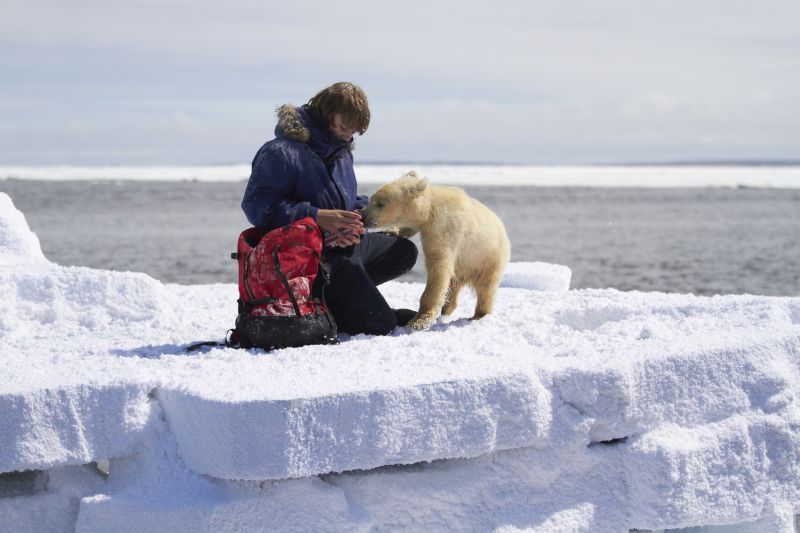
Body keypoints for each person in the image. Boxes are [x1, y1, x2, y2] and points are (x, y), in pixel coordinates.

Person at [241, 82, 418, 336]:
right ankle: (333, 303)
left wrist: (356, 219)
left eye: (353, 131)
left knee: (403, 252)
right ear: (326, 114)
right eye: (343, 127)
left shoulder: (342, 152)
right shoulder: (280, 152)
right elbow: (257, 206)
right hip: (310, 259)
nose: (348, 136)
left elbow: (344, 198)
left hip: (340, 246)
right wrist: (317, 217)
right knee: (382, 324)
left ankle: (336, 302)